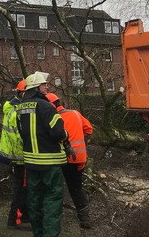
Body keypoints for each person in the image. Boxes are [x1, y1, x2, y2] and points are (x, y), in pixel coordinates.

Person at [17, 72, 74, 237]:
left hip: (31, 163)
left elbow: (22, 133)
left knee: (34, 200)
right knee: (52, 201)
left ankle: (39, 233)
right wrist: (66, 136)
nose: (47, 87)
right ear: (36, 88)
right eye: (44, 85)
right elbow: (58, 132)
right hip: (50, 163)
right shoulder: (46, 106)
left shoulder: (20, 108)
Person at [46, 92, 93, 229]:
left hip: (60, 159)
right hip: (79, 159)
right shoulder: (75, 113)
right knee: (76, 188)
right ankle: (85, 220)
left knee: (55, 188)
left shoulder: (52, 118)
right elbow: (89, 130)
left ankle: (55, 220)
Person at [0, 79, 31, 231]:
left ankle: (21, 218)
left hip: (14, 156)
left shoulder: (12, 107)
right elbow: (18, 136)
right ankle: (15, 221)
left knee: (21, 188)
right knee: (21, 189)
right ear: (22, 93)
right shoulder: (17, 110)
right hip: (19, 157)